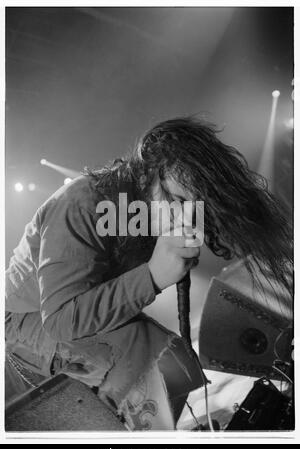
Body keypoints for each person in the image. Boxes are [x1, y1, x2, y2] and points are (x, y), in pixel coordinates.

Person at [5, 117, 293, 430]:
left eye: (193, 203)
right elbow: (61, 319)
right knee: (145, 356)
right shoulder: (81, 203)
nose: (185, 213)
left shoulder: (148, 204)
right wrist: (153, 276)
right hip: (26, 319)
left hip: (71, 313)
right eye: (179, 200)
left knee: (174, 360)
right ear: (149, 173)